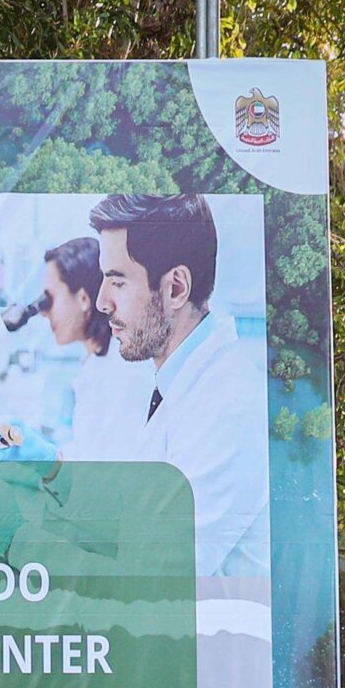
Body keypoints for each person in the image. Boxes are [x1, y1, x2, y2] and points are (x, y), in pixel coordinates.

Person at [87, 193, 269, 577]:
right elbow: (130, 526)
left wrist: (20, 543)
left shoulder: (228, 406)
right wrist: (52, 471)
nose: (102, 302)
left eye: (117, 282)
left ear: (175, 289)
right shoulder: (176, 384)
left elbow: (155, 572)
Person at [0, 236, 117, 465]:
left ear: (84, 299)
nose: (44, 313)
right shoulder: (96, 364)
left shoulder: (117, 372)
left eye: (50, 299)